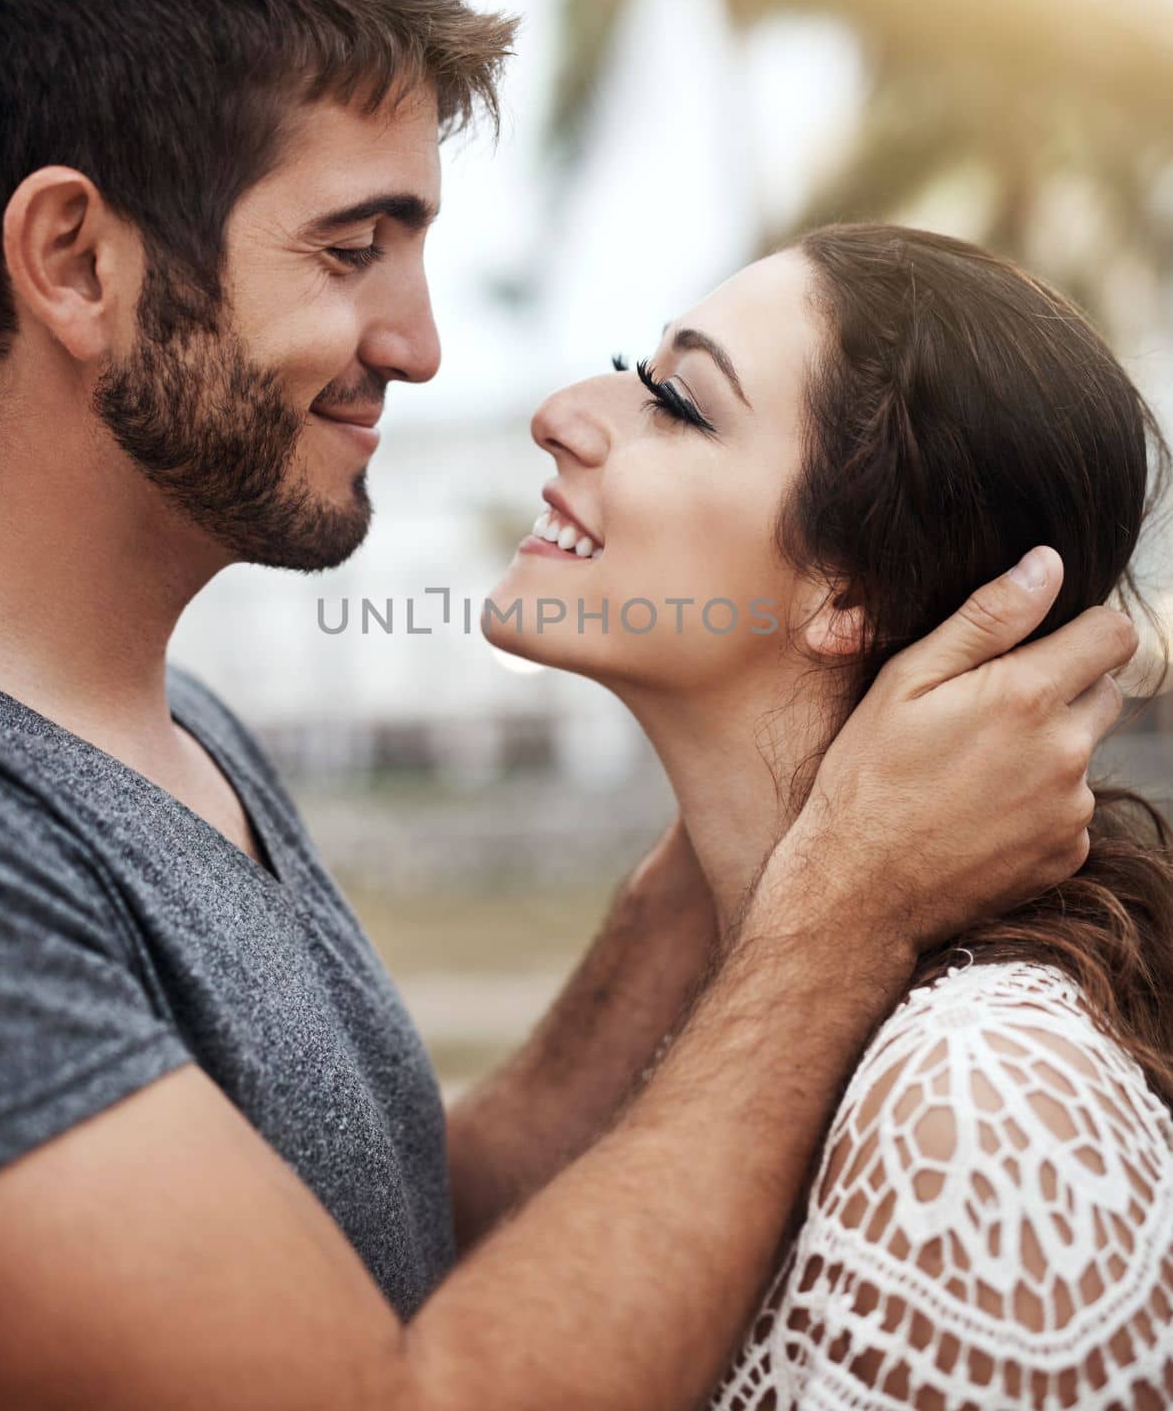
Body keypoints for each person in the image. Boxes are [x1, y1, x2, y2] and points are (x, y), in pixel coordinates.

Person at [0, 0, 1138, 1411]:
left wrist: (744, 856)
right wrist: (835, 915)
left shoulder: (183, 737)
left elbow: (401, 1240)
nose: (421, 348)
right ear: (75, 260)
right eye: (352, 250)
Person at [486, 223, 1173, 1407]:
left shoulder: (979, 1110)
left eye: (674, 401)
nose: (560, 411)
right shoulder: (725, 1023)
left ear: (844, 594)